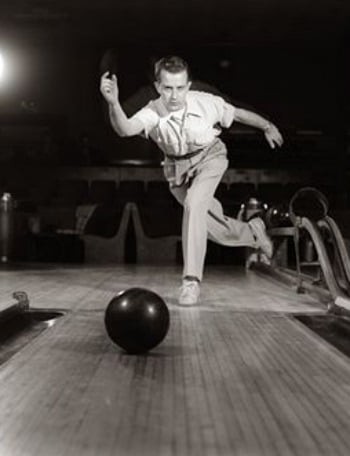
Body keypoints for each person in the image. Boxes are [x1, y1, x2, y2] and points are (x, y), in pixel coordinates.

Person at [100, 55, 283, 306]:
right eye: (167, 88)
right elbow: (125, 129)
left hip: (210, 158)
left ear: (188, 86)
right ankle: (253, 232)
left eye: (179, 88)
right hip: (177, 169)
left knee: (194, 205)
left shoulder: (206, 103)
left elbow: (239, 114)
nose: (174, 96)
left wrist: (267, 126)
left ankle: (191, 281)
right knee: (208, 226)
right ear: (158, 87)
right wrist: (113, 103)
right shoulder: (152, 111)